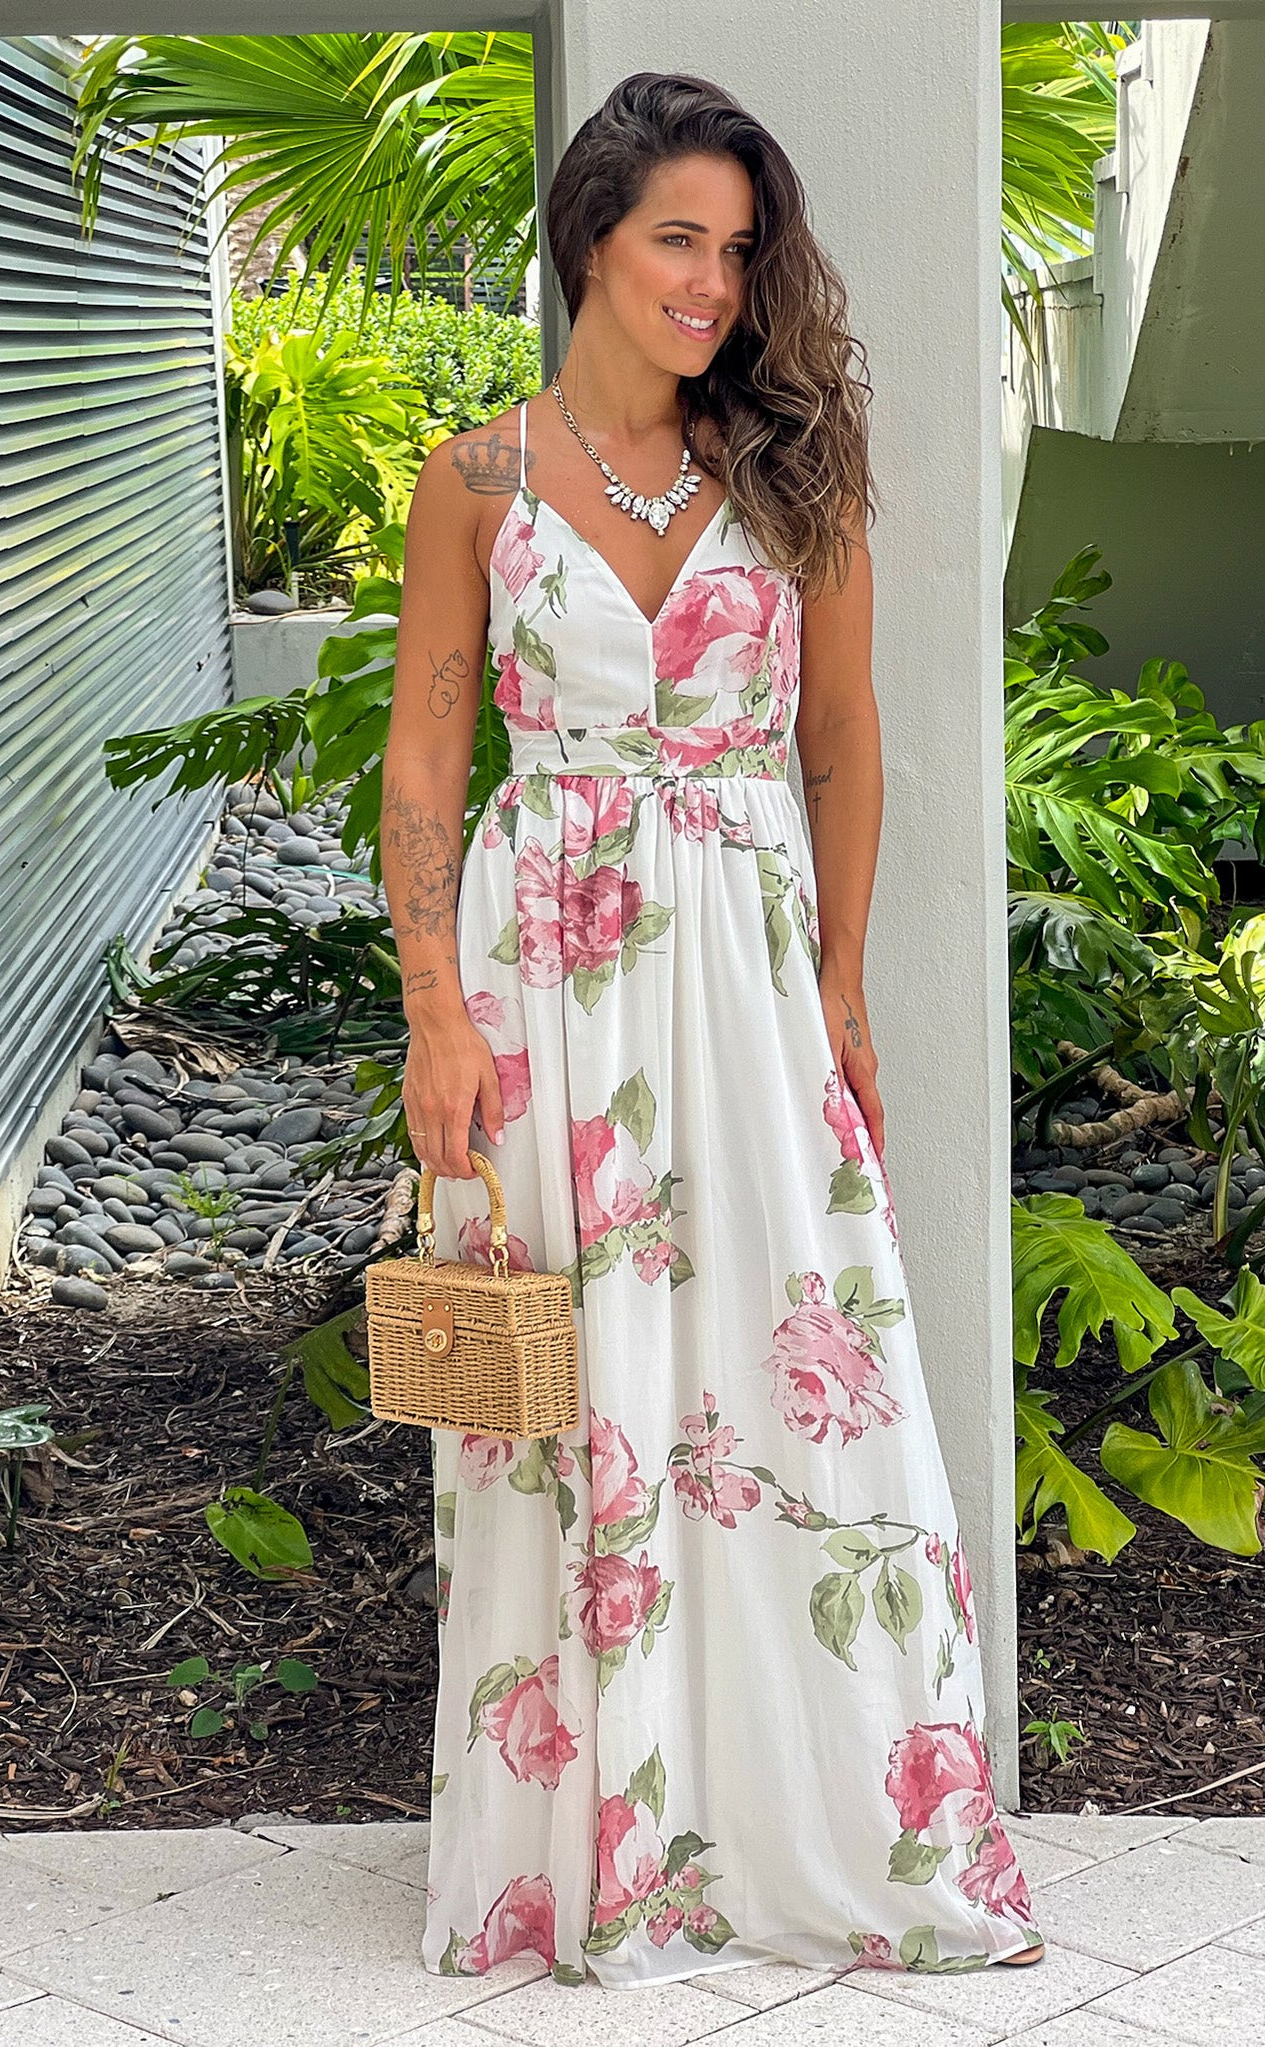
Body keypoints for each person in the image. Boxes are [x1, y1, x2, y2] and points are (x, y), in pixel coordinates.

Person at [379, 69, 1045, 1991]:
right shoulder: (477, 481)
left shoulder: (790, 469)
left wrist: (837, 990)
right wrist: (436, 1010)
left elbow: (843, 749)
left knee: (788, 1366)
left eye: (739, 252)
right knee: (563, 1392)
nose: (711, 284)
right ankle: (592, 1844)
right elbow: (429, 752)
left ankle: (805, 1819)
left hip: (746, 979)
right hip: (550, 982)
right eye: (678, 237)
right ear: (590, 232)